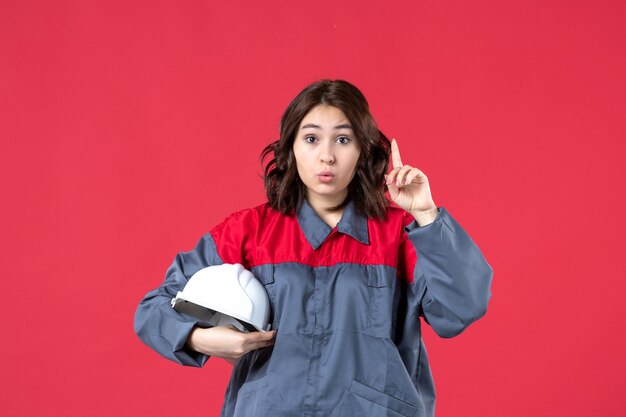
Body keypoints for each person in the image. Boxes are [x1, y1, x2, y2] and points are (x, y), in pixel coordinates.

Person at [134, 79, 493, 417]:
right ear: (289, 147)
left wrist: (427, 215)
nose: (326, 157)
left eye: (342, 140)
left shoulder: (399, 233)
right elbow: (154, 309)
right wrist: (201, 338)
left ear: (363, 150)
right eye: (311, 139)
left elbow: (461, 308)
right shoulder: (247, 232)